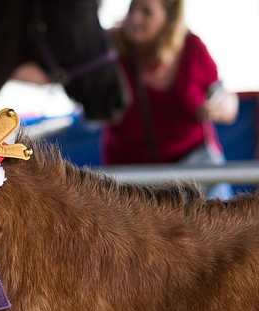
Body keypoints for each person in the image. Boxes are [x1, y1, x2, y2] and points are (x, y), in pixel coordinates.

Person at [100, 0, 238, 199]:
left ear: (169, 20)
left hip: (194, 168)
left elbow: (226, 100)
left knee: (222, 225)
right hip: (128, 176)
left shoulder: (192, 48)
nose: (134, 17)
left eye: (146, 12)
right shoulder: (108, 49)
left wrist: (220, 107)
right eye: (132, 8)